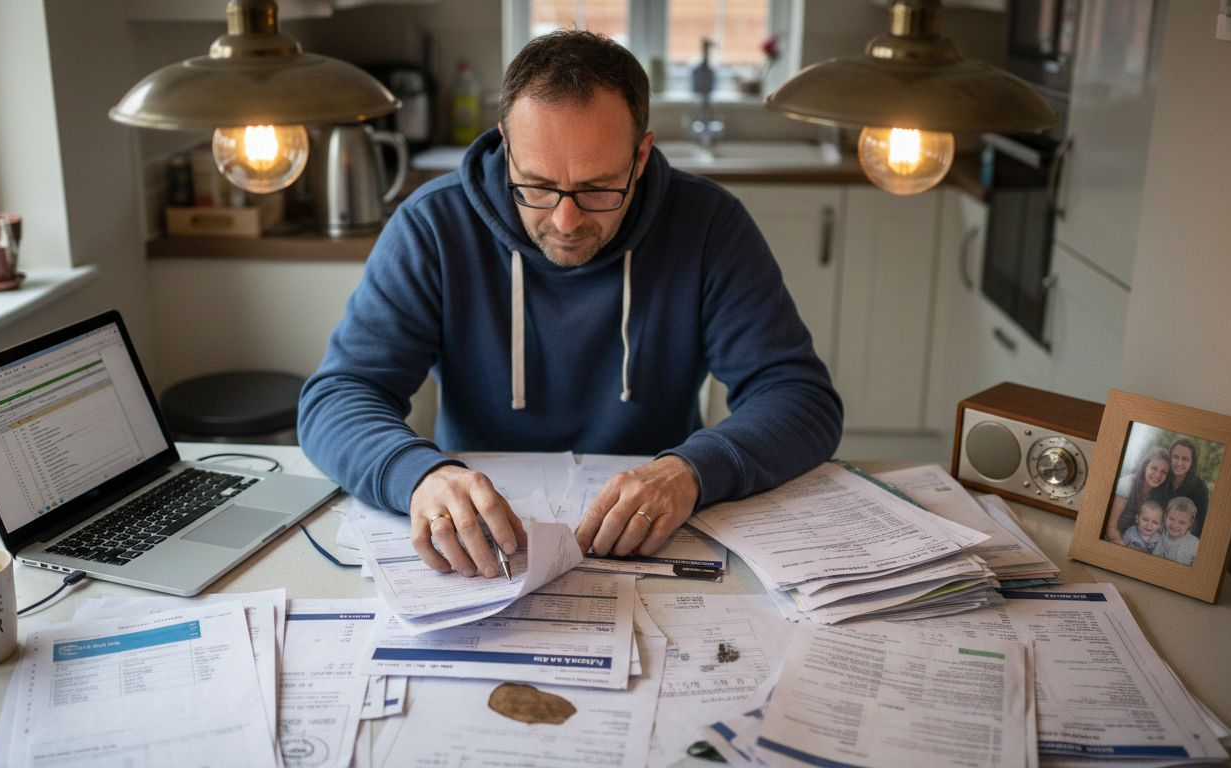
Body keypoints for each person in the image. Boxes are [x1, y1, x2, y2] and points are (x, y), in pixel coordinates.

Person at [298, 30, 842, 578]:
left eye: (599, 188)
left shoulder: (708, 227)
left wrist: (691, 472)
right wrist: (418, 476)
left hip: (656, 539)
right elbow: (339, 396)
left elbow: (800, 399)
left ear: (642, 154)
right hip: (483, 550)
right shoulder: (433, 226)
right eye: (535, 185)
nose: (565, 221)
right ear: (506, 145)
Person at [1103, 447, 1170, 545]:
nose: (1158, 475)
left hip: (1137, 542)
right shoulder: (1128, 484)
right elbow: (1110, 528)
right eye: (1154, 468)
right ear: (1145, 467)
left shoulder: (1158, 494)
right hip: (1115, 540)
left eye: (1164, 472)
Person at [1166, 438, 1211, 537]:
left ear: (1192, 463)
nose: (1179, 463)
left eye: (1185, 459)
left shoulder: (1200, 488)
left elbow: (1202, 524)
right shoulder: (1162, 478)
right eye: (1175, 457)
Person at [1153, 496, 1200, 565]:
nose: (1175, 525)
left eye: (1182, 522)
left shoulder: (1195, 545)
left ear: (1190, 523)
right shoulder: (1157, 533)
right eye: (1171, 519)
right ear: (1166, 516)